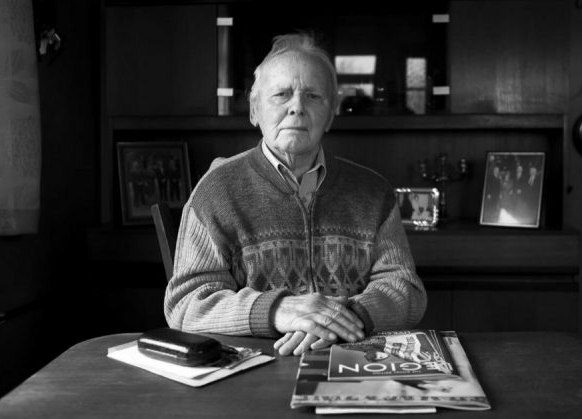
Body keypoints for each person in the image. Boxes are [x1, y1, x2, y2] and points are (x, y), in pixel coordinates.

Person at [163, 33, 427, 357]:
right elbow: (186, 305)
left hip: (353, 362)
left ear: (330, 115)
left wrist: (345, 319)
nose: (297, 108)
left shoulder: (374, 192)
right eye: (281, 94)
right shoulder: (216, 191)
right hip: (252, 375)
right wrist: (278, 310)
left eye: (313, 96)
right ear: (254, 110)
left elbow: (407, 289)